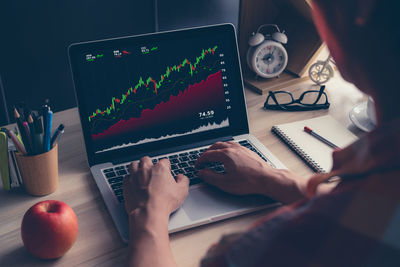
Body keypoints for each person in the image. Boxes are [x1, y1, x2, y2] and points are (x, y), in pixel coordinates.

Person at [123, 0, 400, 266]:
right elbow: (367, 212)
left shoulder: (257, 250)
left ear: (357, 8)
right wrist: (274, 179)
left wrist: (149, 215)